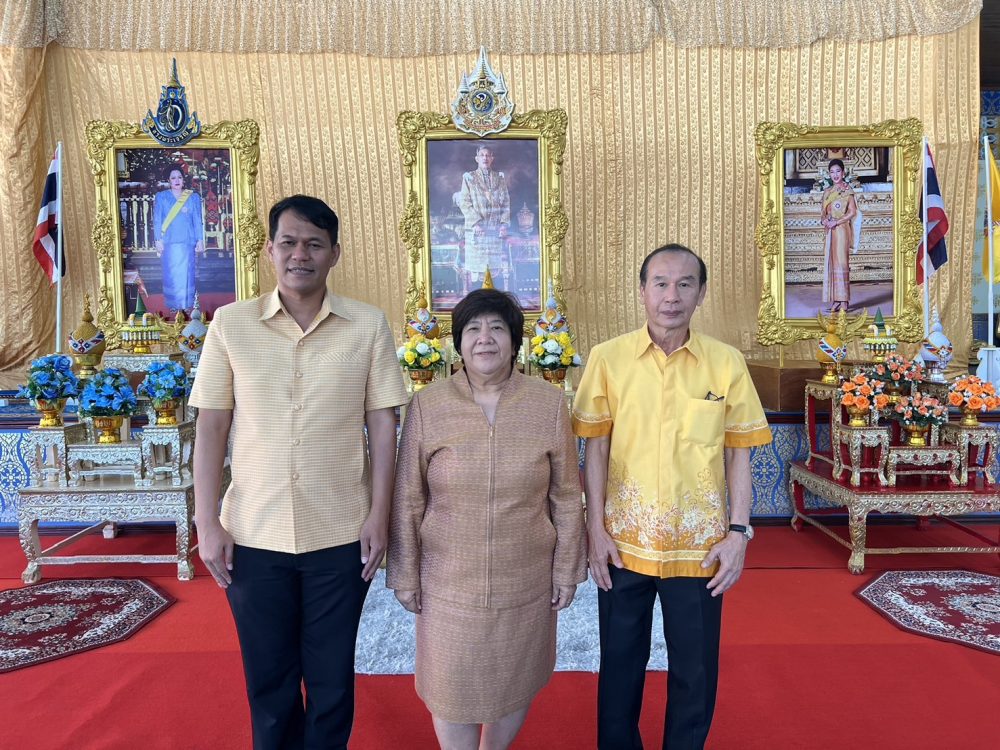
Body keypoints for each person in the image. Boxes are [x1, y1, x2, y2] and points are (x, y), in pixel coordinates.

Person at [191, 195, 408, 749]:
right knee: (269, 682)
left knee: (332, 681)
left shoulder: (367, 325)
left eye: (314, 244)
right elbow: (211, 426)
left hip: (341, 533)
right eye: (288, 242)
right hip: (252, 534)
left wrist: (380, 516)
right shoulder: (231, 325)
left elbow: (383, 426)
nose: (300, 255)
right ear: (269, 250)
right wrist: (206, 522)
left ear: (334, 253)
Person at [573, 244, 772, 750]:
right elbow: (595, 449)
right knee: (619, 666)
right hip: (623, 544)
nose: (672, 296)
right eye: (660, 283)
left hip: (700, 549)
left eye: (685, 284)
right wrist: (594, 530)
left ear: (701, 294)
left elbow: (739, 454)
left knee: (695, 670)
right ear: (642, 291)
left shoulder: (725, 363)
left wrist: (738, 534)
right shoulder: (608, 359)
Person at [387, 288, 586, 750]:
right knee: (450, 686)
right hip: (447, 580)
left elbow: (565, 494)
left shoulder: (548, 404)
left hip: (526, 577)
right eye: (473, 329)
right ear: (458, 342)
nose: (485, 338)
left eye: (497, 328)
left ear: (515, 342)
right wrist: (404, 573)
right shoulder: (428, 405)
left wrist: (566, 569)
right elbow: (408, 497)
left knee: (515, 677)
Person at [153, 165, 205, 312]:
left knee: (187, 273)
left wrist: (200, 239)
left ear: (183, 180)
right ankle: (174, 304)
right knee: (172, 274)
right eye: (173, 178)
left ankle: (187, 304)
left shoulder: (193, 197)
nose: (177, 180)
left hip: (188, 241)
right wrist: (157, 239)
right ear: (169, 180)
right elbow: (157, 220)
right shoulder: (162, 197)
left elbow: (197, 220)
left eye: (179, 177)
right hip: (169, 242)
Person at [458, 145, 511, 290]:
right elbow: (464, 202)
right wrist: (476, 223)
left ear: (492, 158)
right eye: (482, 155)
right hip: (477, 233)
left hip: (494, 232)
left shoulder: (499, 178)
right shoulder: (469, 178)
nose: (485, 158)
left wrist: (504, 224)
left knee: (495, 276)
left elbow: (506, 202)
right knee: (477, 277)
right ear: (476, 158)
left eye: (488, 155)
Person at [820, 158, 858, 312]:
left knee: (842, 263)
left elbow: (852, 212)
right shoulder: (827, 192)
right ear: (829, 174)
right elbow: (822, 213)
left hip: (841, 230)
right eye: (832, 172)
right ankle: (836, 299)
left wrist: (836, 222)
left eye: (838, 171)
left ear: (843, 172)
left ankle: (844, 300)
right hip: (830, 231)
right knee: (832, 264)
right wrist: (825, 221)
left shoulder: (848, 191)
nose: (835, 175)